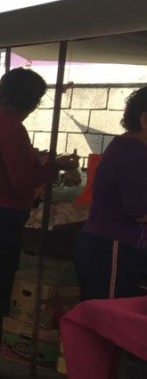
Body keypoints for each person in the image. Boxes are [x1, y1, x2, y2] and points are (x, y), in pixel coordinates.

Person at [0, 67, 75, 379]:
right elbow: (21, 182)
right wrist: (48, 170)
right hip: (3, 216)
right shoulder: (12, 129)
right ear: (30, 100)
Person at [74, 86, 147, 300]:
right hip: (112, 248)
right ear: (145, 119)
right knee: (107, 317)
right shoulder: (133, 152)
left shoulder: (132, 148)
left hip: (115, 247)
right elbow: (137, 209)